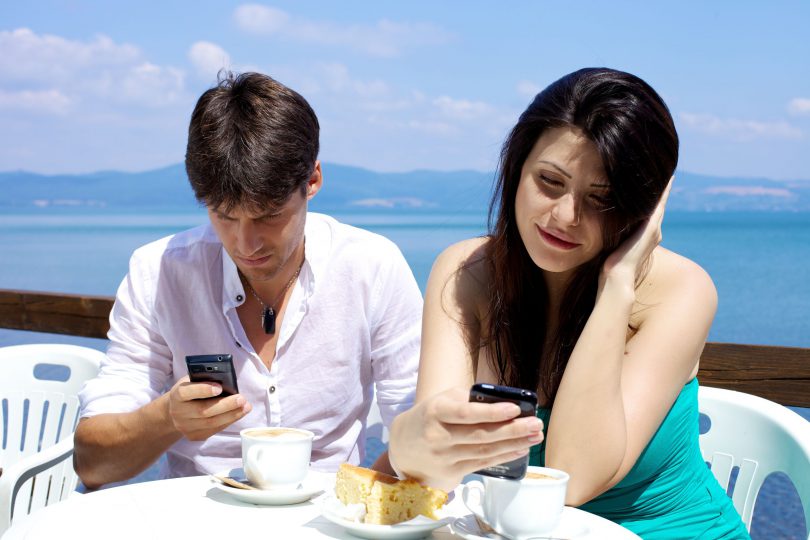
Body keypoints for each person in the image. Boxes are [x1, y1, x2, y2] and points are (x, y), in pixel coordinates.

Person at [388, 68, 749, 538]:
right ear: (516, 168)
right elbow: (432, 470)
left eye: (601, 200)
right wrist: (408, 443)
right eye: (550, 182)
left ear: (641, 210)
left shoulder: (681, 290)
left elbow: (574, 474)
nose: (564, 216)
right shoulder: (467, 274)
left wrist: (617, 287)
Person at [74, 72, 422, 489]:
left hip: (328, 518)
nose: (246, 243)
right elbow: (92, 464)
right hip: (192, 519)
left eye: (268, 215)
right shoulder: (158, 271)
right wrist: (166, 418)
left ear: (312, 181)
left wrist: (355, 503)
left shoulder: (371, 267)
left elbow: (416, 431)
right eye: (224, 215)